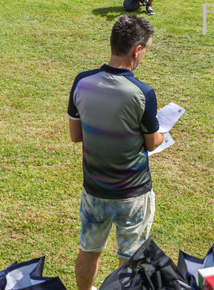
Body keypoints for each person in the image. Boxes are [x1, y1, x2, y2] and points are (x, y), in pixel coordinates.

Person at [68, 15, 163, 290]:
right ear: (137, 50)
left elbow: (76, 136)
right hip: (133, 193)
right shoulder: (143, 92)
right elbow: (151, 143)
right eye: (147, 49)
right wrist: (160, 130)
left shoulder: (81, 82)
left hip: (94, 188)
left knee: (89, 249)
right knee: (130, 260)